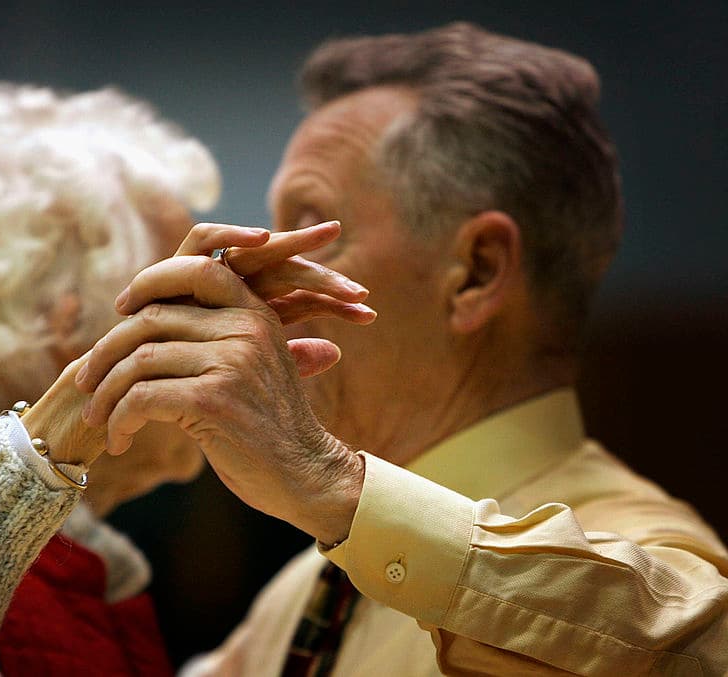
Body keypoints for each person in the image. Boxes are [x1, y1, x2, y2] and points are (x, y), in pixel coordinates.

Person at [74, 23, 728, 674]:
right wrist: (67, 466)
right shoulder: (303, 590)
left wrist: (329, 485)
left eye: (309, 229)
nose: (254, 281)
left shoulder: (650, 546)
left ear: (475, 272)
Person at [0, 84, 373, 675]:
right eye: (181, 291)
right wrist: (78, 410)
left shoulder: (86, 570)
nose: (223, 316)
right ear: (66, 326)